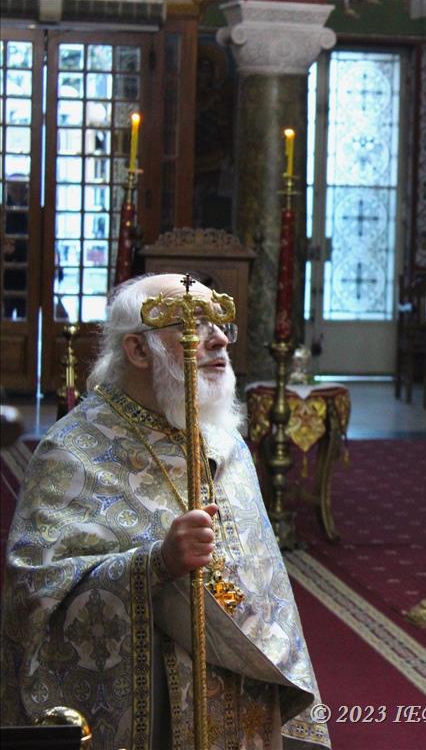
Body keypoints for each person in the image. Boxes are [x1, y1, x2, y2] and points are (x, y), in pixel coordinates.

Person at [1, 274, 330, 749]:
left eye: (222, 325)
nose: (219, 341)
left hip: (246, 702)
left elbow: (264, 580)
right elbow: (35, 595)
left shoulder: (223, 439)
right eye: (193, 327)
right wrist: (156, 565)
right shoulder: (73, 451)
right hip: (155, 713)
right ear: (138, 349)